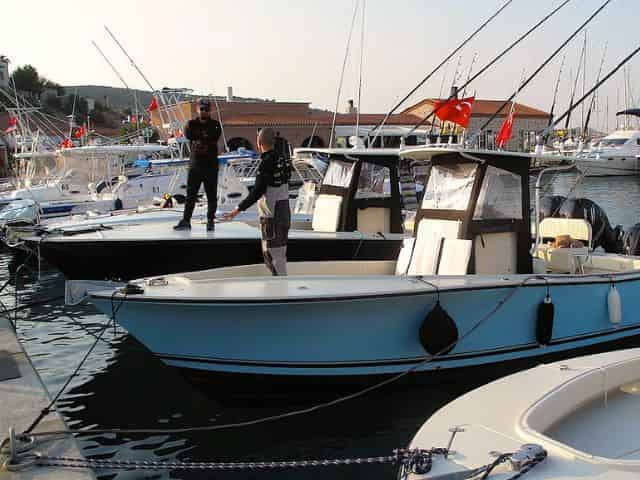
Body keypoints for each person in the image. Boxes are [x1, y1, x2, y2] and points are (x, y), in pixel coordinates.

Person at [224, 128, 291, 275]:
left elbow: (257, 191)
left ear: (259, 142)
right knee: (280, 253)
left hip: (271, 215)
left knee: (272, 255)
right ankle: (281, 285)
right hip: (284, 211)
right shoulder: (283, 160)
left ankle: (279, 290)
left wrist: (238, 209)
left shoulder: (266, 162)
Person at [174, 98, 222, 231]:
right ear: (197, 110)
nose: (204, 112)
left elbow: (214, 136)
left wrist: (200, 138)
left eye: (206, 109)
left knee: (211, 195)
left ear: (210, 110)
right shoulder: (191, 124)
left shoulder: (216, 125)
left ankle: (210, 221)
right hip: (195, 166)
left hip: (211, 166)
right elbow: (190, 134)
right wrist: (203, 138)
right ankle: (186, 220)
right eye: (202, 109)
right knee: (191, 195)